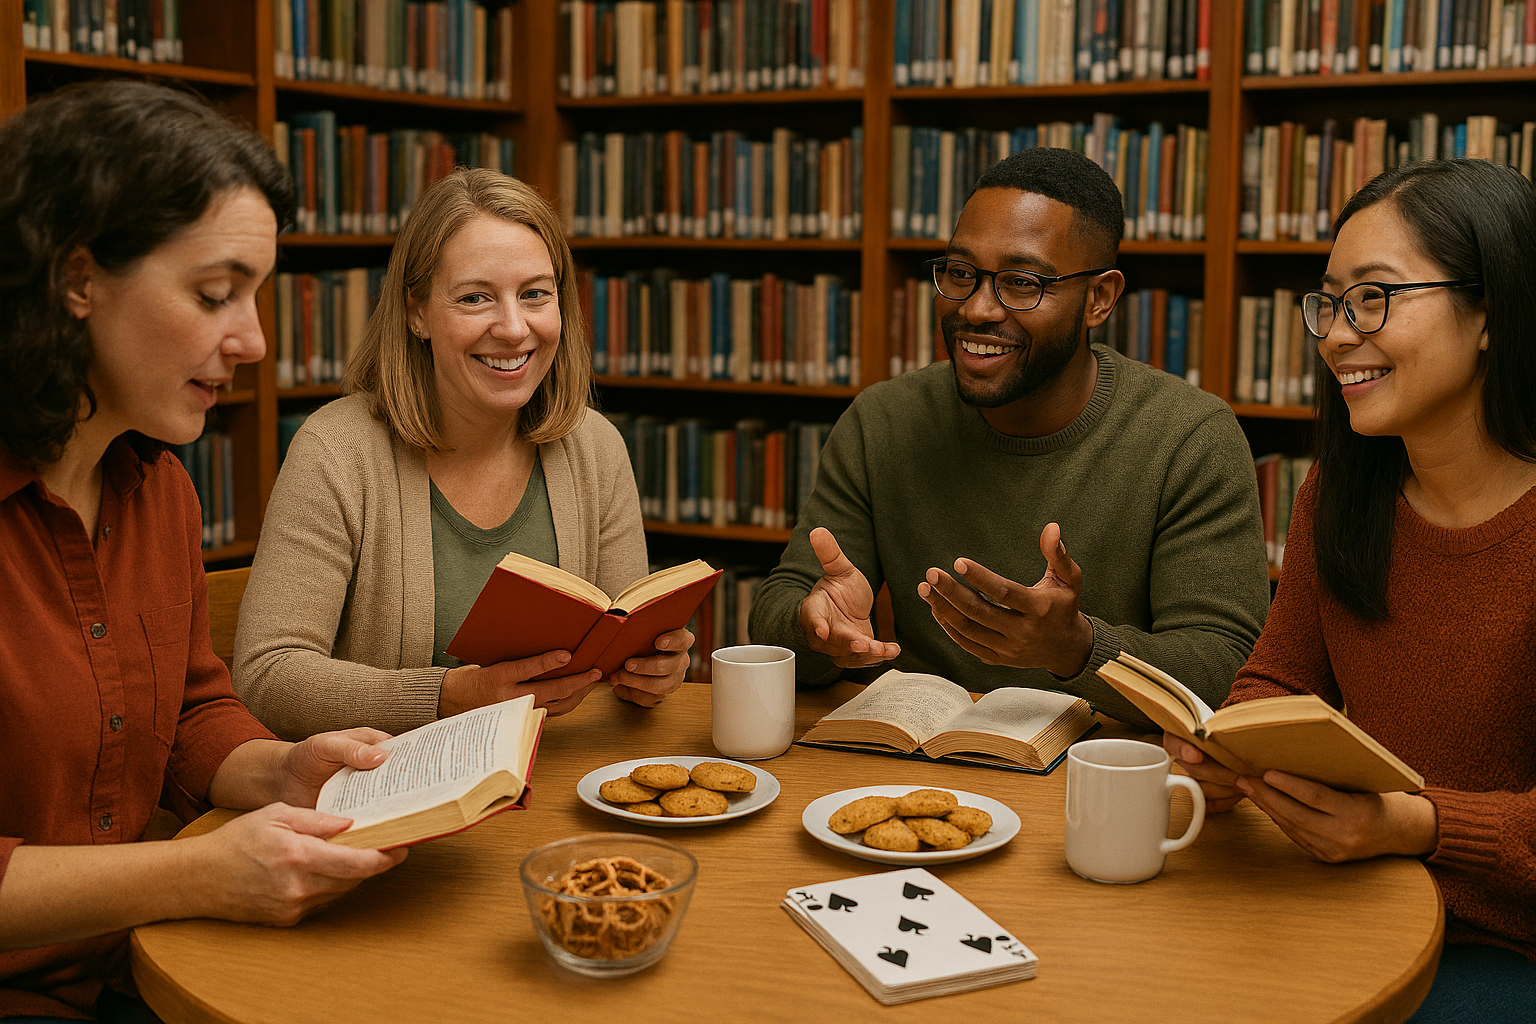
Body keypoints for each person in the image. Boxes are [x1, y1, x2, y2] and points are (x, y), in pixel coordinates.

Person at [0, 82, 406, 1022]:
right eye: (215, 294)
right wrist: (194, 873)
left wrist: (285, 768)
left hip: (141, 971)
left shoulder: (161, 491)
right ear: (77, 278)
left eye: (257, 297)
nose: (256, 340)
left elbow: (190, 711)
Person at [1167, 159, 1536, 1022]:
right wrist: (1233, 757)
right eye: (1329, 303)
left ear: (1490, 313)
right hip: (1344, 897)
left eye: (1374, 297)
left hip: (1504, 946)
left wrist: (1420, 825)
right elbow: (1274, 682)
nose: (1336, 334)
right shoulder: (1338, 497)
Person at [748, 147, 1270, 725]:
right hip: (925, 768)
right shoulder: (883, 421)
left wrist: (1075, 649)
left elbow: (1227, 667)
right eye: (961, 273)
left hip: (1101, 781)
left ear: (1099, 299)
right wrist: (817, 625)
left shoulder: (1190, 437)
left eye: (1022, 284)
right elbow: (779, 607)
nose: (977, 308)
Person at [233, 168, 692, 741]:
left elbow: (618, 641)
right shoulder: (338, 451)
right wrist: (448, 697)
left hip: (557, 776)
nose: (512, 327)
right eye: (475, 298)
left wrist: (652, 669)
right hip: (390, 795)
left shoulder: (594, 447)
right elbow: (266, 677)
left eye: (535, 295)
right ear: (417, 312)